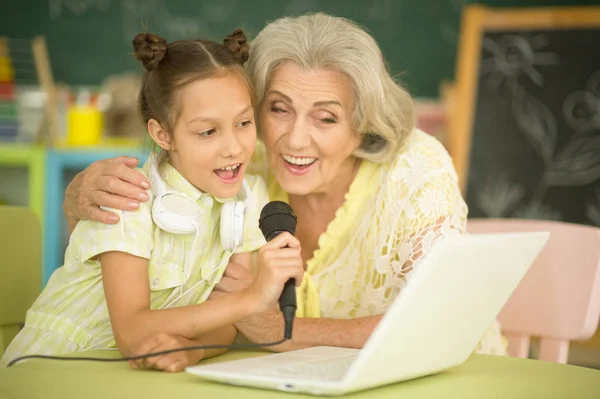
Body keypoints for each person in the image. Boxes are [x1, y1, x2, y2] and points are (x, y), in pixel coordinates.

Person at [61, 13, 507, 356]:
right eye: (277, 109)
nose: (294, 139)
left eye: (326, 117)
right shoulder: (241, 157)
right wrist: (78, 194)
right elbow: (149, 198)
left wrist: (280, 331)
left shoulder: (415, 167)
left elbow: (439, 323)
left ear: (363, 123)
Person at [0, 29, 304, 372]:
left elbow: (227, 319)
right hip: (50, 368)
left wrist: (192, 351)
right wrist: (253, 298)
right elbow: (131, 334)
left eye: (244, 123)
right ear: (163, 134)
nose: (233, 147)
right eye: (208, 131)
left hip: (129, 379)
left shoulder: (249, 198)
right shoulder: (127, 195)